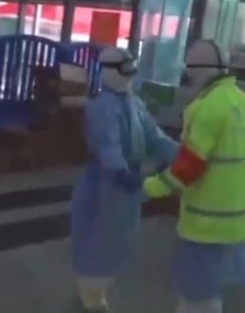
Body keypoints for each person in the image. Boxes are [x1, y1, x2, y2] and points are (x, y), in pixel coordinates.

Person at [143, 40, 245, 313]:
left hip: (204, 224)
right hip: (236, 223)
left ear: (196, 70)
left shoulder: (207, 107)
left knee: (194, 297)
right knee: (210, 295)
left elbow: (188, 168)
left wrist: (148, 187)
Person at [70, 47, 179, 312]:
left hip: (126, 182)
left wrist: (182, 153)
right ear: (108, 71)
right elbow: (107, 144)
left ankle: (96, 292)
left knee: (118, 241)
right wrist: (120, 172)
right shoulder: (101, 107)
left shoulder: (134, 102)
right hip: (105, 184)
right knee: (97, 239)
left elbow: (154, 137)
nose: (129, 76)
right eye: (124, 70)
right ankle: (90, 296)